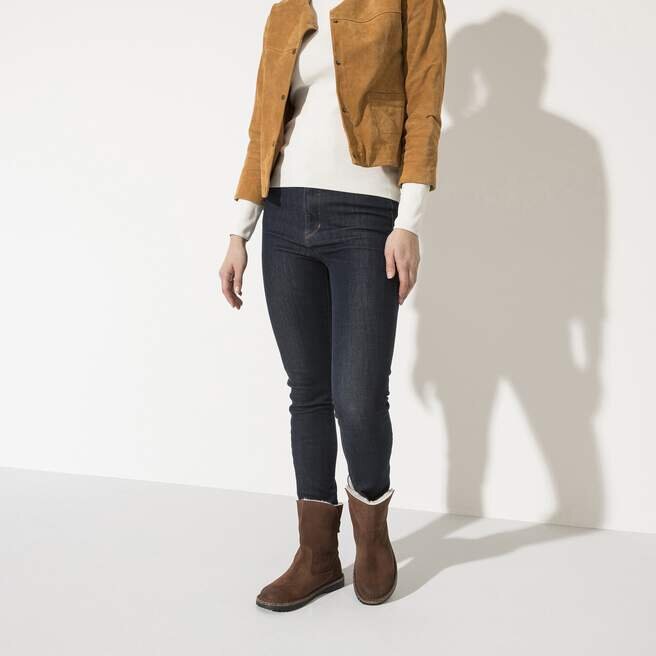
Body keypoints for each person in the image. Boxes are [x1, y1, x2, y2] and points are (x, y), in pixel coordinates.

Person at [219, 0, 447, 611]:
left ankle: (372, 534)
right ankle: (317, 556)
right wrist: (239, 230)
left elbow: (425, 105)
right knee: (309, 393)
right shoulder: (288, 9)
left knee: (359, 395)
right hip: (284, 213)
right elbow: (264, 120)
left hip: (367, 216)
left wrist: (408, 220)